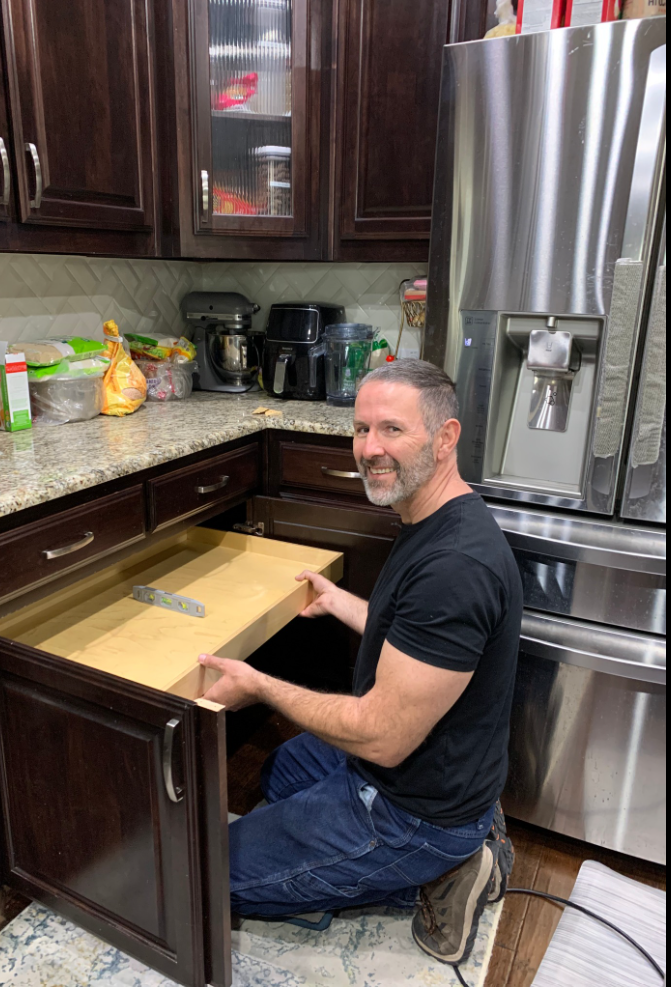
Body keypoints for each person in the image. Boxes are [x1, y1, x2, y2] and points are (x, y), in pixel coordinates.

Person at [198, 360, 523, 966]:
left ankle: (447, 864)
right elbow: (418, 637)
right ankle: (448, 843)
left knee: (205, 874)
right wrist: (346, 605)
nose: (370, 449)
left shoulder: (457, 566)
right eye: (361, 429)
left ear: (445, 437)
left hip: (415, 808)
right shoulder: (434, 515)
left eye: (392, 430)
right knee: (281, 773)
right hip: (435, 763)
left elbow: (382, 737)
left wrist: (260, 687)